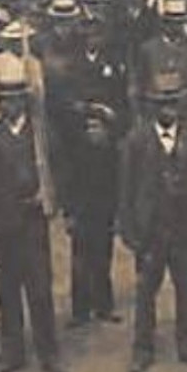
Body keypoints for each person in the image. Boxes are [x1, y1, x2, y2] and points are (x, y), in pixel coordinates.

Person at [0, 75, 63, 372]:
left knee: (40, 290)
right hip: (2, 224)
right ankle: (13, 353)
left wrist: (49, 193)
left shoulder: (41, 133)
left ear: (26, 101)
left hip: (33, 223)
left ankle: (49, 353)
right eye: (5, 101)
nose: (11, 105)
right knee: (8, 292)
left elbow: (59, 170)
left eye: (17, 99)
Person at [121, 73, 187, 372]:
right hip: (150, 229)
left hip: (184, 226)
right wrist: (129, 229)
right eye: (162, 104)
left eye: (173, 103)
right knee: (146, 290)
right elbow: (126, 188)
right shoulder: (136, 140)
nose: (168, 110)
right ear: (151, 106)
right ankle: (142, 348)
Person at [60, 102, 123, 326]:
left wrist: (117, 216)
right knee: (80, 264)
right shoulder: (77, 155)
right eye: (89, 127)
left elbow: (118, 187)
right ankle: (80, 311)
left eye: (97, 127)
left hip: (103, 214)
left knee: (103, 262)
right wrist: (68, 214)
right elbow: (68, 185)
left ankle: (104, 306)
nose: (93, 132)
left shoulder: (112, 155)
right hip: (82, 214)